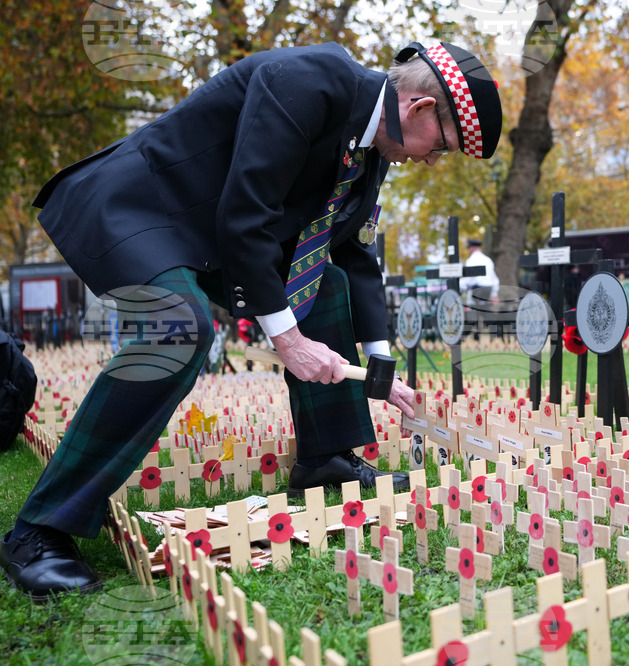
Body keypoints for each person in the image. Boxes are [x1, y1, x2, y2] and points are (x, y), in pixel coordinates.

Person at [0, 41, 502, 600]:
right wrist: (289, 341)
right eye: (443, 147)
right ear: (419, 110)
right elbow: (247, 215)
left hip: (214, 233)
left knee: (326, 284)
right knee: (180, 331)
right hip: (142, 209)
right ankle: (38, 530)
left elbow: (353, 254)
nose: (432, 160)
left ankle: (324, 458)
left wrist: (381, 363)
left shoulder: (373, 150)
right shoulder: (310, 80)